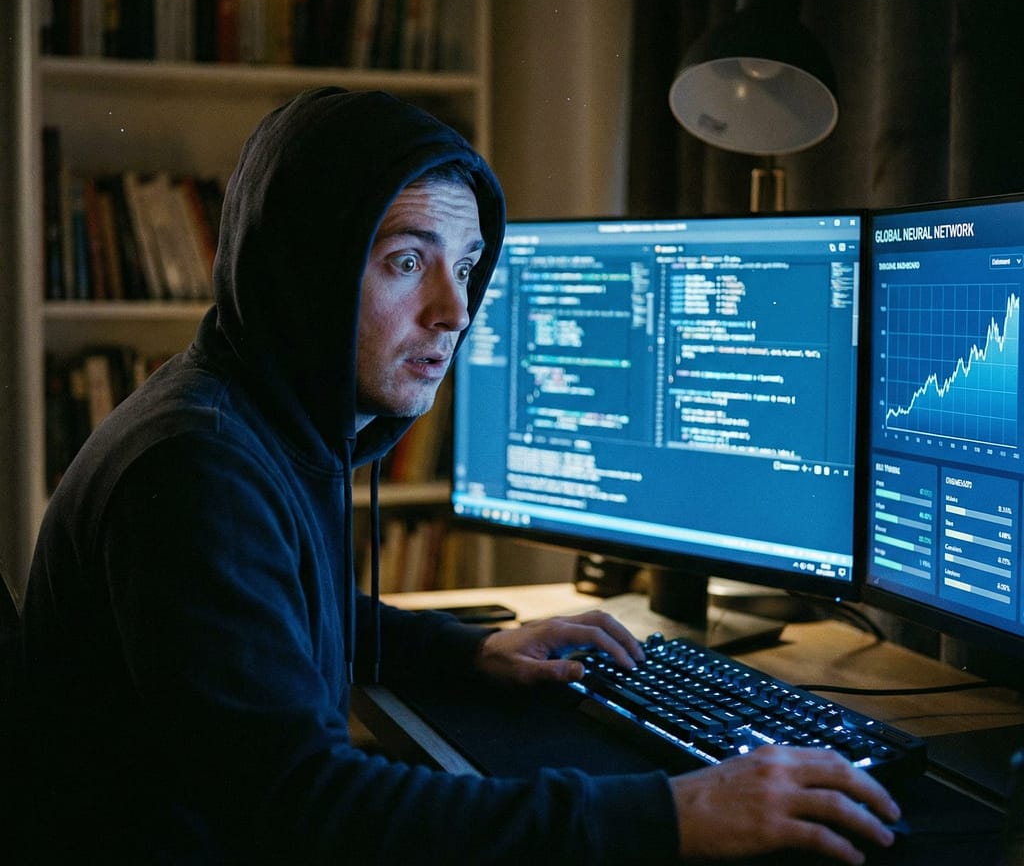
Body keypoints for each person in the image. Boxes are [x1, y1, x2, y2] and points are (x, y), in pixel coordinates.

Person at [17, 87, 901, 864]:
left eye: (469, 267)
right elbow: (304, 812)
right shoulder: (198, 468)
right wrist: (670, 814)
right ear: (304, 265)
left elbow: (268, 621)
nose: (455, 311)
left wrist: (465, 648)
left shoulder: (254, 413)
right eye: (407, 260)